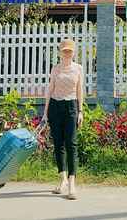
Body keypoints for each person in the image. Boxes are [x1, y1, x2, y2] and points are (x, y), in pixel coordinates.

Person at [41, 38, 84, 200]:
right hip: (55, 107)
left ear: (73, 52)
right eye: (64, 50)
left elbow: (80, 91)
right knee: (58, 144)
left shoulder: (78, 69)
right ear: (60, 52)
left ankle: (72, 183)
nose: (67, 53)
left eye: (69, 51)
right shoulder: (56, 69)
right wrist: (45, 112)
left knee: (71, 144)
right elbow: (50, 89)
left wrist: (80, 111)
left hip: (71, 107)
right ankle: (63, 179)